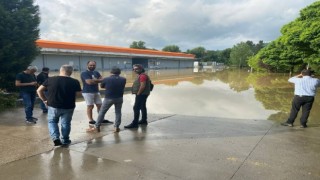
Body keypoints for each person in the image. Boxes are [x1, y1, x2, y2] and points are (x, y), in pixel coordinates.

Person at [37, 65, 82, 146]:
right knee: (66, 123)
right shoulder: (75, 81)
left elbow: (39, 90)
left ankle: (55, 138)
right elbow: (78, 94)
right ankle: (65, 140)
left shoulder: (50, 79)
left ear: (60, 71)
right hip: (69, 106)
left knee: (52, 121)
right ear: (70, 72)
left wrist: (45, 100)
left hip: (53, 105)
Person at [86, 67, 126, 133]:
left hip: (109, 98)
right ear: (119, 73)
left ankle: (97, 127)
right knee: (118, 112)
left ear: (111, 72)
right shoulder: (123, 79)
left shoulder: (106, 79)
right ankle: (116, 127)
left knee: (102, 112)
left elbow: (102, 86)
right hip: (119, 98)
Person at [81, 61, 113, 125]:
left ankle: (101, 119)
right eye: (90, 65)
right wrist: (97, 80)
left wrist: (95, 80)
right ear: (87, 65)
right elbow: (89, 82)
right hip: (87, 92)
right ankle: (91, 120)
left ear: (95, 65)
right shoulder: (84, 73)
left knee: (100, 106)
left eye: (93, 65)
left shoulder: (96, 72)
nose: (92, 66)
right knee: (90, 106)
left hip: (96, 91)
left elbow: (103, 79)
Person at [124, 64, 152, 129]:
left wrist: (138, 93)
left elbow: (143, 86)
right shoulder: (142, 75)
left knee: (136, 108)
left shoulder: (142, 76)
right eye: (133, 69)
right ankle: (143, 120)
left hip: (141, 94)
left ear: (141, 69)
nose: (135, 70)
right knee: (142, 106)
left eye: (136, 69)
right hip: (144, 94)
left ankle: (135, 123)